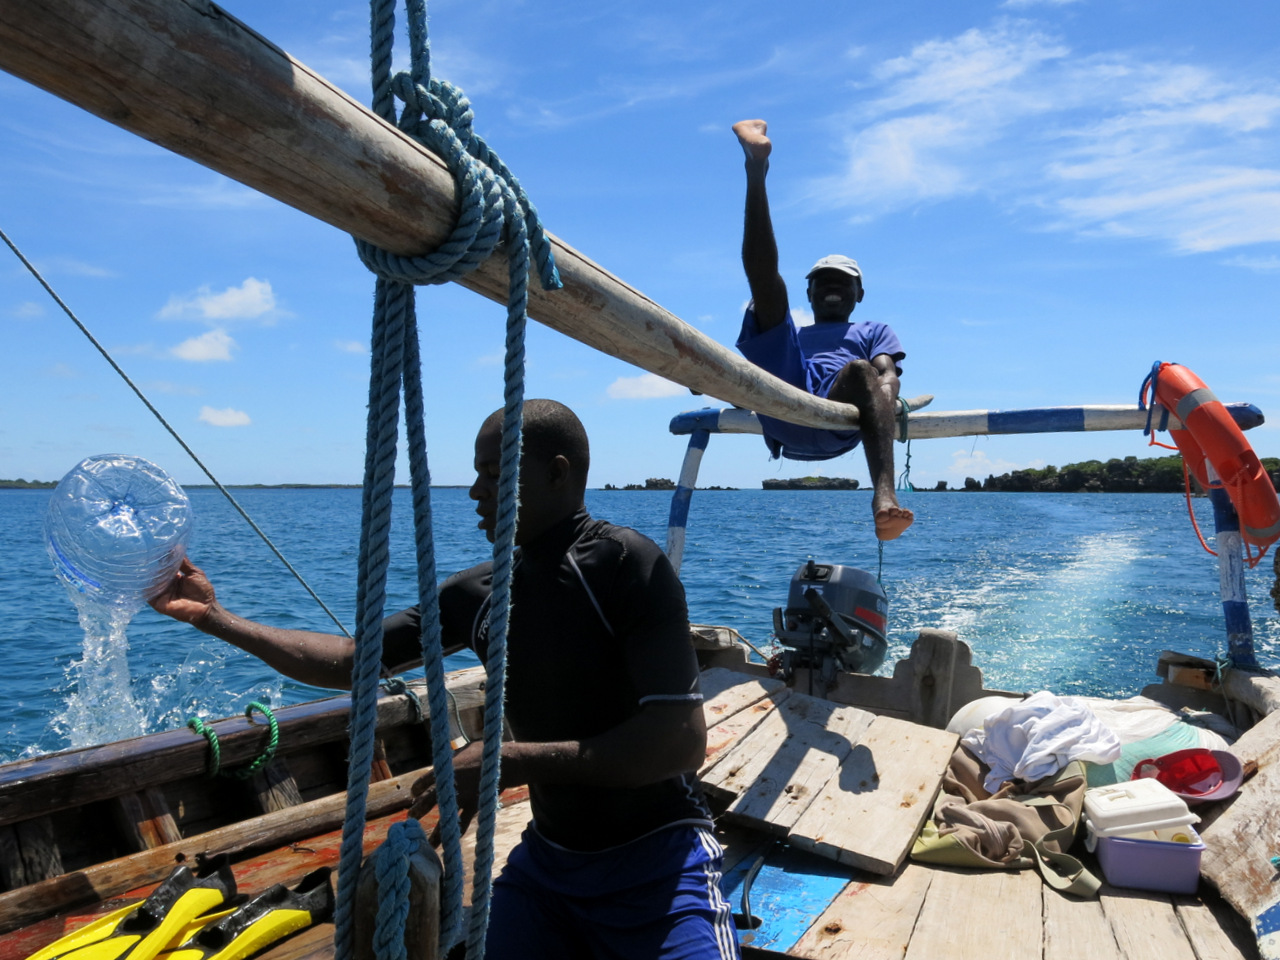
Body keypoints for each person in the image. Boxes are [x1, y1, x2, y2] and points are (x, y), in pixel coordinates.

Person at [149, 399, 740, 960]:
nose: (477, 492)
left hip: (660, 864)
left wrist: (508, 760)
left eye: (493, 473)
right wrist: (214, 618)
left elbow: (679, 741)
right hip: (549, 871)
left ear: (558, 473)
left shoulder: (626, 565)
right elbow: (355, 661)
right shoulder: (476, 594)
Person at [732, 118, 914, 541]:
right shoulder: (790, 335)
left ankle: (883, 496)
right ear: (809, 294)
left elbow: (886, 374)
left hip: (839, 414)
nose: (832, 286)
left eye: (843, 281)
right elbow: (753, 377)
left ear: (860, 293)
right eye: (822, 281)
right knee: (765, 294)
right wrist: (706, 377)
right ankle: (756, 169)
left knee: (859, 369)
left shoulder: (872, 328)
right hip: (784, 400)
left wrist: (884, 395)